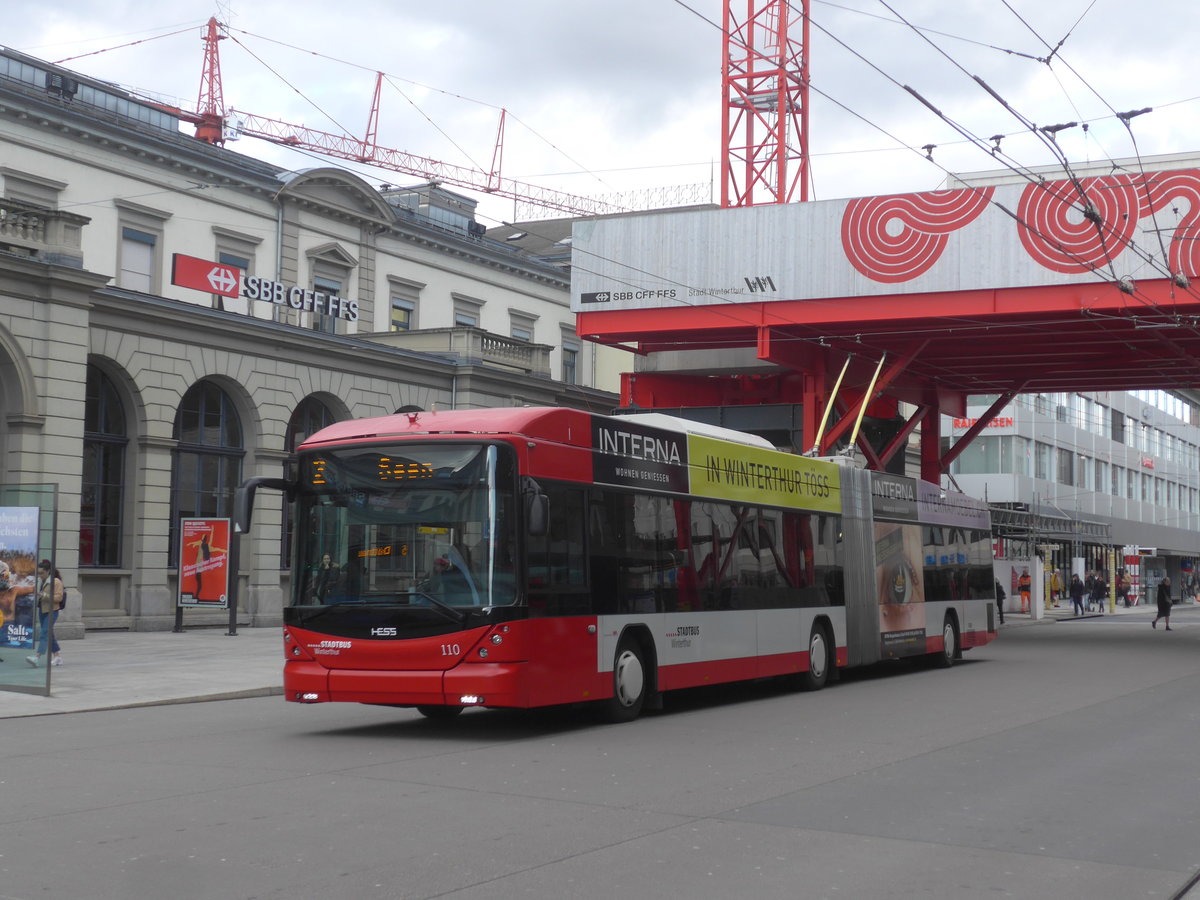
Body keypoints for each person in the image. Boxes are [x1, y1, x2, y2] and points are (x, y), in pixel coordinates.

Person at [26, 559, 64, 668]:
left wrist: (45, 595)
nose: (40, 575)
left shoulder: (56, 581)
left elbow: (59, 598)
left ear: (48, 571)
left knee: (44, 633)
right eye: (38, 573)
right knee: (48, 633)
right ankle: (57, 656)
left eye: (42, 573)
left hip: (52, 611)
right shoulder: (40, 580)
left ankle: (37, 657)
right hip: (42, 610)